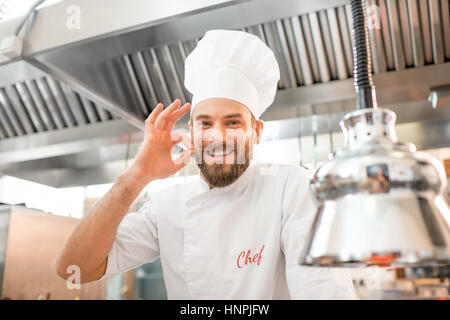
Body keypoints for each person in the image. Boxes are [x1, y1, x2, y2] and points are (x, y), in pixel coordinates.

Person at [55, 29, 357, 299]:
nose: (218, 136)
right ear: (192, 133)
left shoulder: (292, 190)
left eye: (233, 122)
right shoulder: (166, 206)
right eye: (205, 123)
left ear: (257, 132)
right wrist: (135, 177)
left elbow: (323, 287)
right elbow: (74, 269)